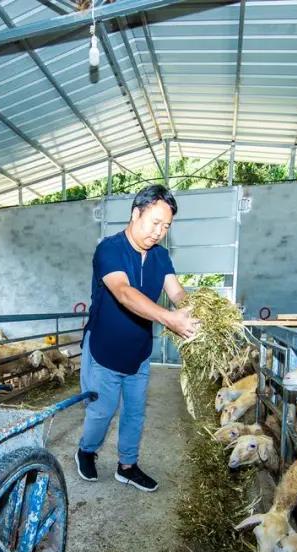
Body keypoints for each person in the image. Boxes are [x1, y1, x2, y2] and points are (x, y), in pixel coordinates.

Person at [76, 185, 200, 492]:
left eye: (166, 226)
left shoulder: (160, 257)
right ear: (136, 213)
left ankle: (127, 466)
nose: (159, 232)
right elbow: (124, 292)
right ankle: (86, 451)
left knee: (134, 412)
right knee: (101, 412)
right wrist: (170, 319)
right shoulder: (110, 249)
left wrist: (195, 311)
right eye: (155, 222)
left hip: (139, 351)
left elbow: (177, 292)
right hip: (104, 350)